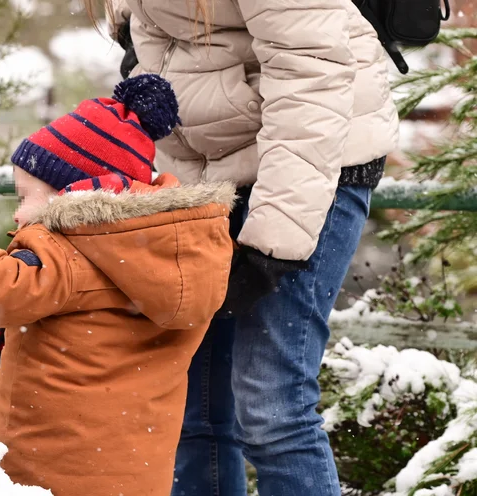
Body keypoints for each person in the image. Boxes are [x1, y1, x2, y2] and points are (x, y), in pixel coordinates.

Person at [93, 0, 400, 494]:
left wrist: (271, 245)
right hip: (213, 170)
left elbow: (312, 76)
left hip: (312, 162)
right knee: (190, 405)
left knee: (271, 406)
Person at [0, 74, 236, 496]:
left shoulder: (69, 252)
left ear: (70, 195)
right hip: (137, 475)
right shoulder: (160, 249)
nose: (18, 216)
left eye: (26, 197)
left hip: (53, 474)